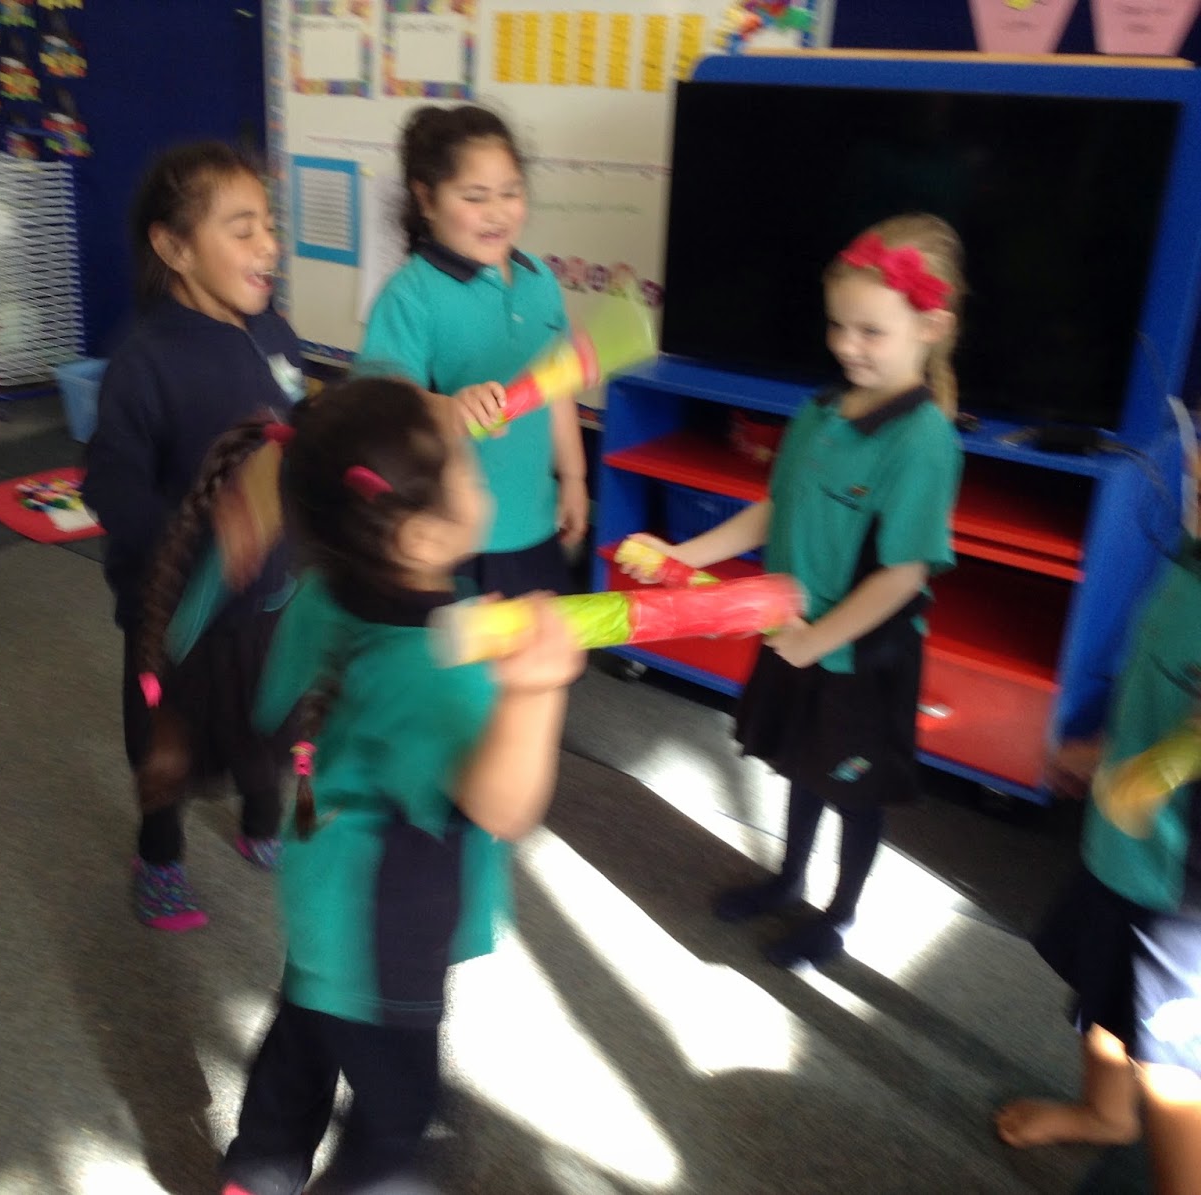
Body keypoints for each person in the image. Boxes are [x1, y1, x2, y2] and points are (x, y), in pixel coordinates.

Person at [219, 377, 582, 1194]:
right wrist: (534, 692)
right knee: (398, 1097)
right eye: (469, 468)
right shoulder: (442, 673)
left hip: (320, 868)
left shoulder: (322, 589)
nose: (481, 472)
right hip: (390, 916)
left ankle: (259, 1164)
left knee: (309, 1018)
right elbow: (503, 807)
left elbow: (279, 704)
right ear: (419, 535)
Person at [622, 213, 965, 968]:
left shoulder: (924, 441)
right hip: (794, 635)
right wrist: (681, 553)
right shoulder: (819, 411)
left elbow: (904, 574)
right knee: (804, 764)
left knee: (856, 791)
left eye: (871, 332)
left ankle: (839, 915)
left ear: (930, 327)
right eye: (838, 326)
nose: (847, 345)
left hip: (861, 656)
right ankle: (789, 878)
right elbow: (774, 509)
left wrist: (818, 640)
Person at [82, 141, 306, 931]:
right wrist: (204, 533)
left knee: (270, 716)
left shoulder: (274, 333)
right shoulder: (144, 363)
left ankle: (260, 821)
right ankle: (159, 854)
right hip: (176, 613)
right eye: (242, 230)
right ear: (174, 248)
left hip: (270, 593)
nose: (268, 245)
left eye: (269, 226)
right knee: (167, 742)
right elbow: (109, 485)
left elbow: (293, 433)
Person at [993, 430, 1201, 1195]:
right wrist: (1110, 749)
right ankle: (1104, 1112)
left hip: (1183, 878)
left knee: (1171, 1058)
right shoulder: (1190, 556)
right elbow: (1161, 679)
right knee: (1104, 980)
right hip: (1125, 840)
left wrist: (1159, 769)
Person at [359, 104, 587, 599]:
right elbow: (382, 408)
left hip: (535, 524)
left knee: (545, 644)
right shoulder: (410, 294)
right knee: (469, 653)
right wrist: (450, 409)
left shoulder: (540, 282)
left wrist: (573, 476)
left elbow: (557, 387)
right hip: (454, 539)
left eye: (511, 192)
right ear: (427, 198)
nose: (497, 212)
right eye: (475, 196)